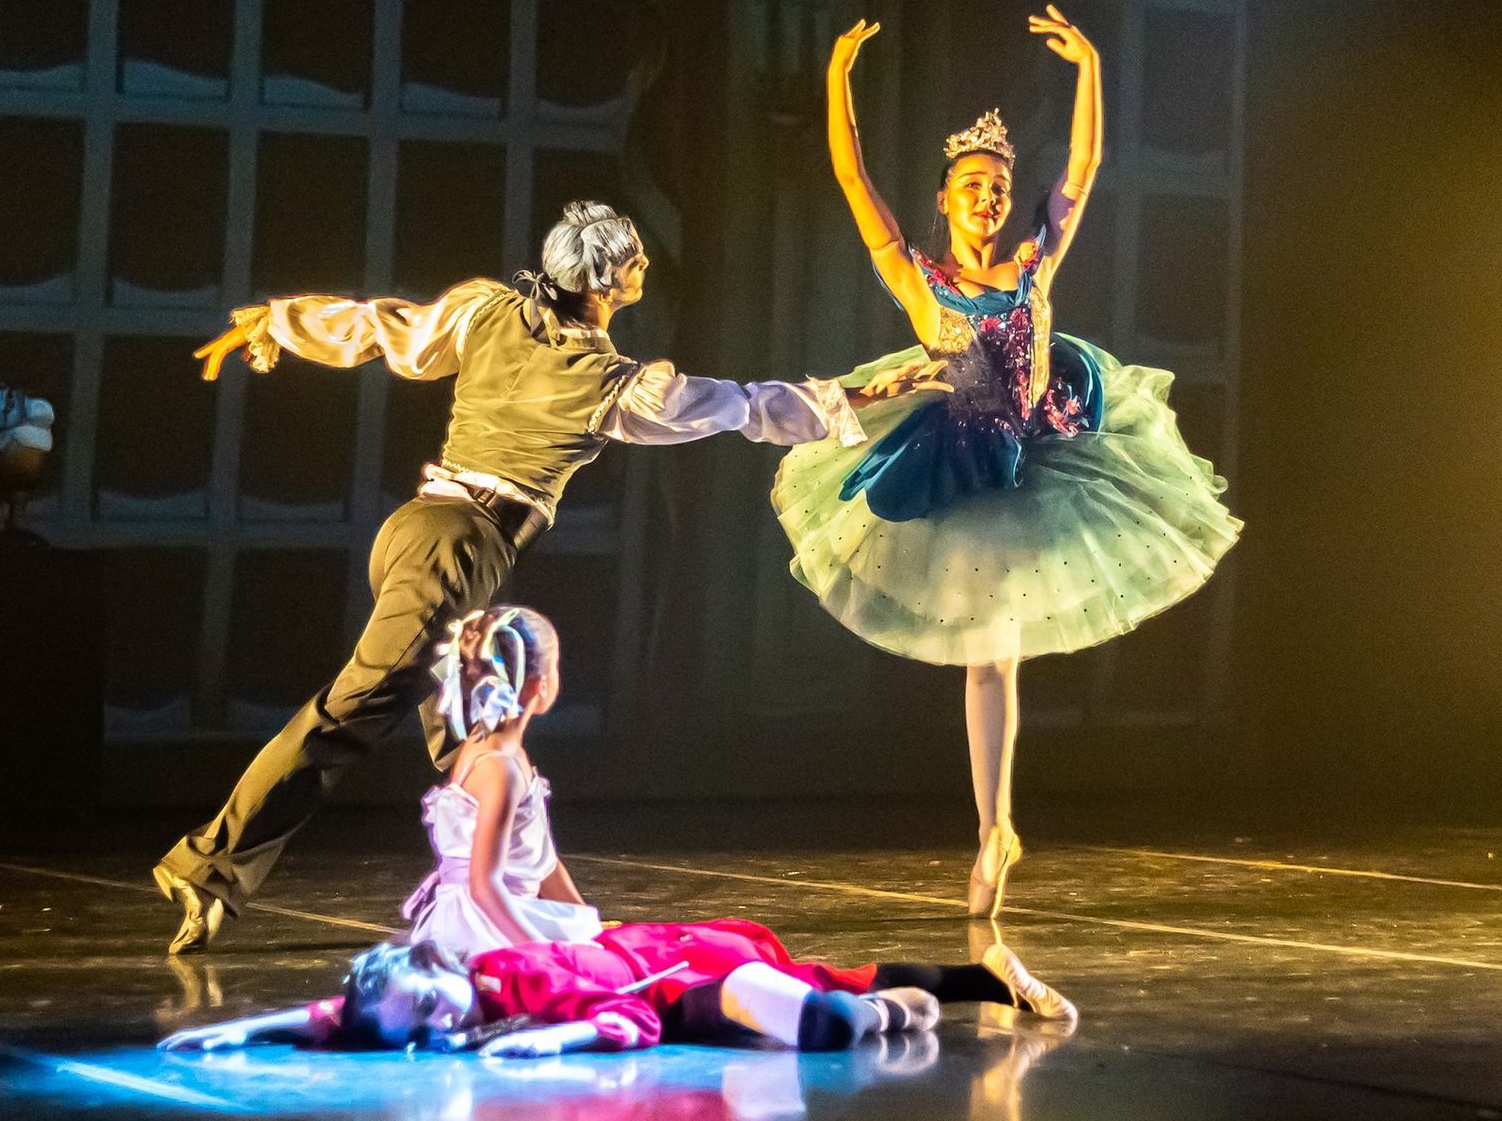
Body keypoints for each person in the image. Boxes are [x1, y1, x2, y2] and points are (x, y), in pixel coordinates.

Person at [153, 201, 942, 954]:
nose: (641, 267)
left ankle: (535, 905)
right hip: (457, 549)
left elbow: (382, 325)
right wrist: (856, 396)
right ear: (609, 284)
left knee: (474, 741)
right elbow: (739, 406)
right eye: (631, 260)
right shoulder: (609, 383)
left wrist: (280, 320)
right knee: (356, 708)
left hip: (425, 535)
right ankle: (207, 867)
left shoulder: (488, 311)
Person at [773, 9, 1241, 916]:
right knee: (988, 658)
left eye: (997, 183)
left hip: (1046, 451)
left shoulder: (1034, 265)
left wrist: (1092, 65)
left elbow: (1086, 170)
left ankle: (996, 827)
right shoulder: (918, 275)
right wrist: (836, 75)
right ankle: (995, 828)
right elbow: (849, 175)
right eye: (971, 184)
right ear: (944, 199)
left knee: (1002, 657)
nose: (988, 195)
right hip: (964, 464)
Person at [157, 919, 1076, 1057]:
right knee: (827, 1013)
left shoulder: (519, 981)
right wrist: (239, 1031)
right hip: (684, 1009)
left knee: (828, 1002)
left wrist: (543, 1040)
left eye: (434, 1011)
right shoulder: (419, 1008)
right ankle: (908, 1001)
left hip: (688, 973)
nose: (438, 1032)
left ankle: (950, 987)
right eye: (418, 1032)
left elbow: (628, 1013)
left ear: (448, 975)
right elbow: (340, 1015)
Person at [398, 605, 601, 957]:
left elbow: (544, 860)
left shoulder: (503, 753)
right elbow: (483, 885)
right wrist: (540, 956)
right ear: (541, 684)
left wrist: (590, 926)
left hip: (501, 909)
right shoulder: (499, 769)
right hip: (483, 925)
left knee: (604, 955)